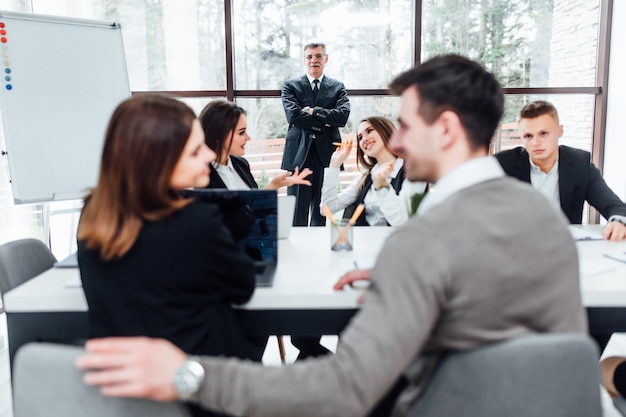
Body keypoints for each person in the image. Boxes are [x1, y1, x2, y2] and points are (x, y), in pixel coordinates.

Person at [76, 55, 587, 417]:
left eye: (405, 124)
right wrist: (409, 278)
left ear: (447, 129)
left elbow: (345, 392)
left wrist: (190, 376)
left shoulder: (422, 243)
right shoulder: (545, 220)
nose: (396, 139)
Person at [77, 95, 265, 417]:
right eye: (195, 150)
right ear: (156, 162)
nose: (208, 153)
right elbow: (243, 286)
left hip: (124, 397)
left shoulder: (93, 216)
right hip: (200, 391)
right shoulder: (197, 222)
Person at [494, 100, 626, 241]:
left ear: (559, 131)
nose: (535, 142)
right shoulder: (503, 165)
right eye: (528, 136)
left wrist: (618, 222)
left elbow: (615, 206)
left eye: (543, 133)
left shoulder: (580, 164)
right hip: (518, 247)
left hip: (565, 248)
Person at [281, 42, 350, 226]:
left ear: (326, 59)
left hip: (326, 154)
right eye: (310, 56)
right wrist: (325, 122)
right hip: (298, 154)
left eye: (318, 56)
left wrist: (313, 111)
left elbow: (342, 117)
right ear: (304, 60)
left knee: (321, 212)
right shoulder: (290, 86)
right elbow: (293, 116)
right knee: (297, 214)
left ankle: (318, 252)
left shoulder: (337, 87)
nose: (314, 60)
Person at [321, 116, 428, 226]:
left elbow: (404, 221)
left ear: (385, 130)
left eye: (369, 131)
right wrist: (334, 165)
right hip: (365, 241)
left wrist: (382, 187)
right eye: (360, 137)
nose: (365, 140)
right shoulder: (366, 178)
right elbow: (326, 209)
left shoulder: (415, 172)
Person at [199, 99, 312, 190]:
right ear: (219, 135)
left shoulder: (241, 164)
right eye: (241, 132)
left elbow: (253, 206)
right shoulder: (198, 173)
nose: (248, 138)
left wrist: (273, 186)